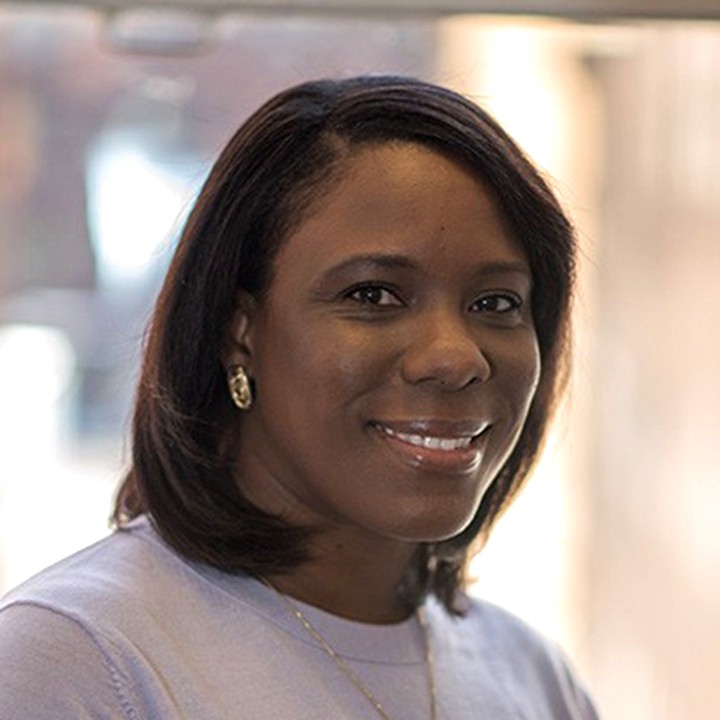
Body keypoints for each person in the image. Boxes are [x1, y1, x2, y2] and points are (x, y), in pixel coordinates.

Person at [0, 76, 598, 719]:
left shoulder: (534, 679)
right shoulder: (75, 663)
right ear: (239, 332)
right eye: (373, 294)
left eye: (496, 303)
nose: (457, 359)